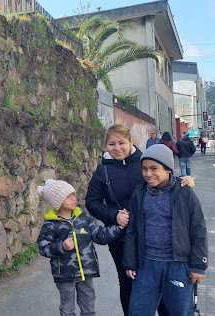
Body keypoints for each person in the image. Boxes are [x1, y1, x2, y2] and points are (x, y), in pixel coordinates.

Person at [85, 123, 194, 316]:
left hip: (152, 235)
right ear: (106, 146)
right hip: (122, 238)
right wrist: (114, 215)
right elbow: (92, 202)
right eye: (111, 144)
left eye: (121, 143)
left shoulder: (144, 161)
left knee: (158, 280)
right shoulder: (103, 171)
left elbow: (164, 179)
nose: (117, 148)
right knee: (127, 282)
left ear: (131, 142)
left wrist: (184, 181)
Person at [123, 144, 208, 316]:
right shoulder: (139, 194)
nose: (148, 174)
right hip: (146, 265)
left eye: (154, 168)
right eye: (144, 169)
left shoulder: (184, 193)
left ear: (168, 169)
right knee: (138, 311)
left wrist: (198, 266)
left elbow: (198, 229)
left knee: (181, 312)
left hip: (178, 265)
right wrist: (130, 262)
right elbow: (132, 230)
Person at [37, 179, 126, 316]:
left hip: (86, 272)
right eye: (68, 196)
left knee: (89, 307)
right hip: (64, 274)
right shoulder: (51, 224)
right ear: (58, 202)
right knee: (67, 309)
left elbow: (99, 235)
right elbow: (43, 247)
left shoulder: (83, 218)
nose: (74, 199)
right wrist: (61, 246)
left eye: (74, 194)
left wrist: (118, 228)